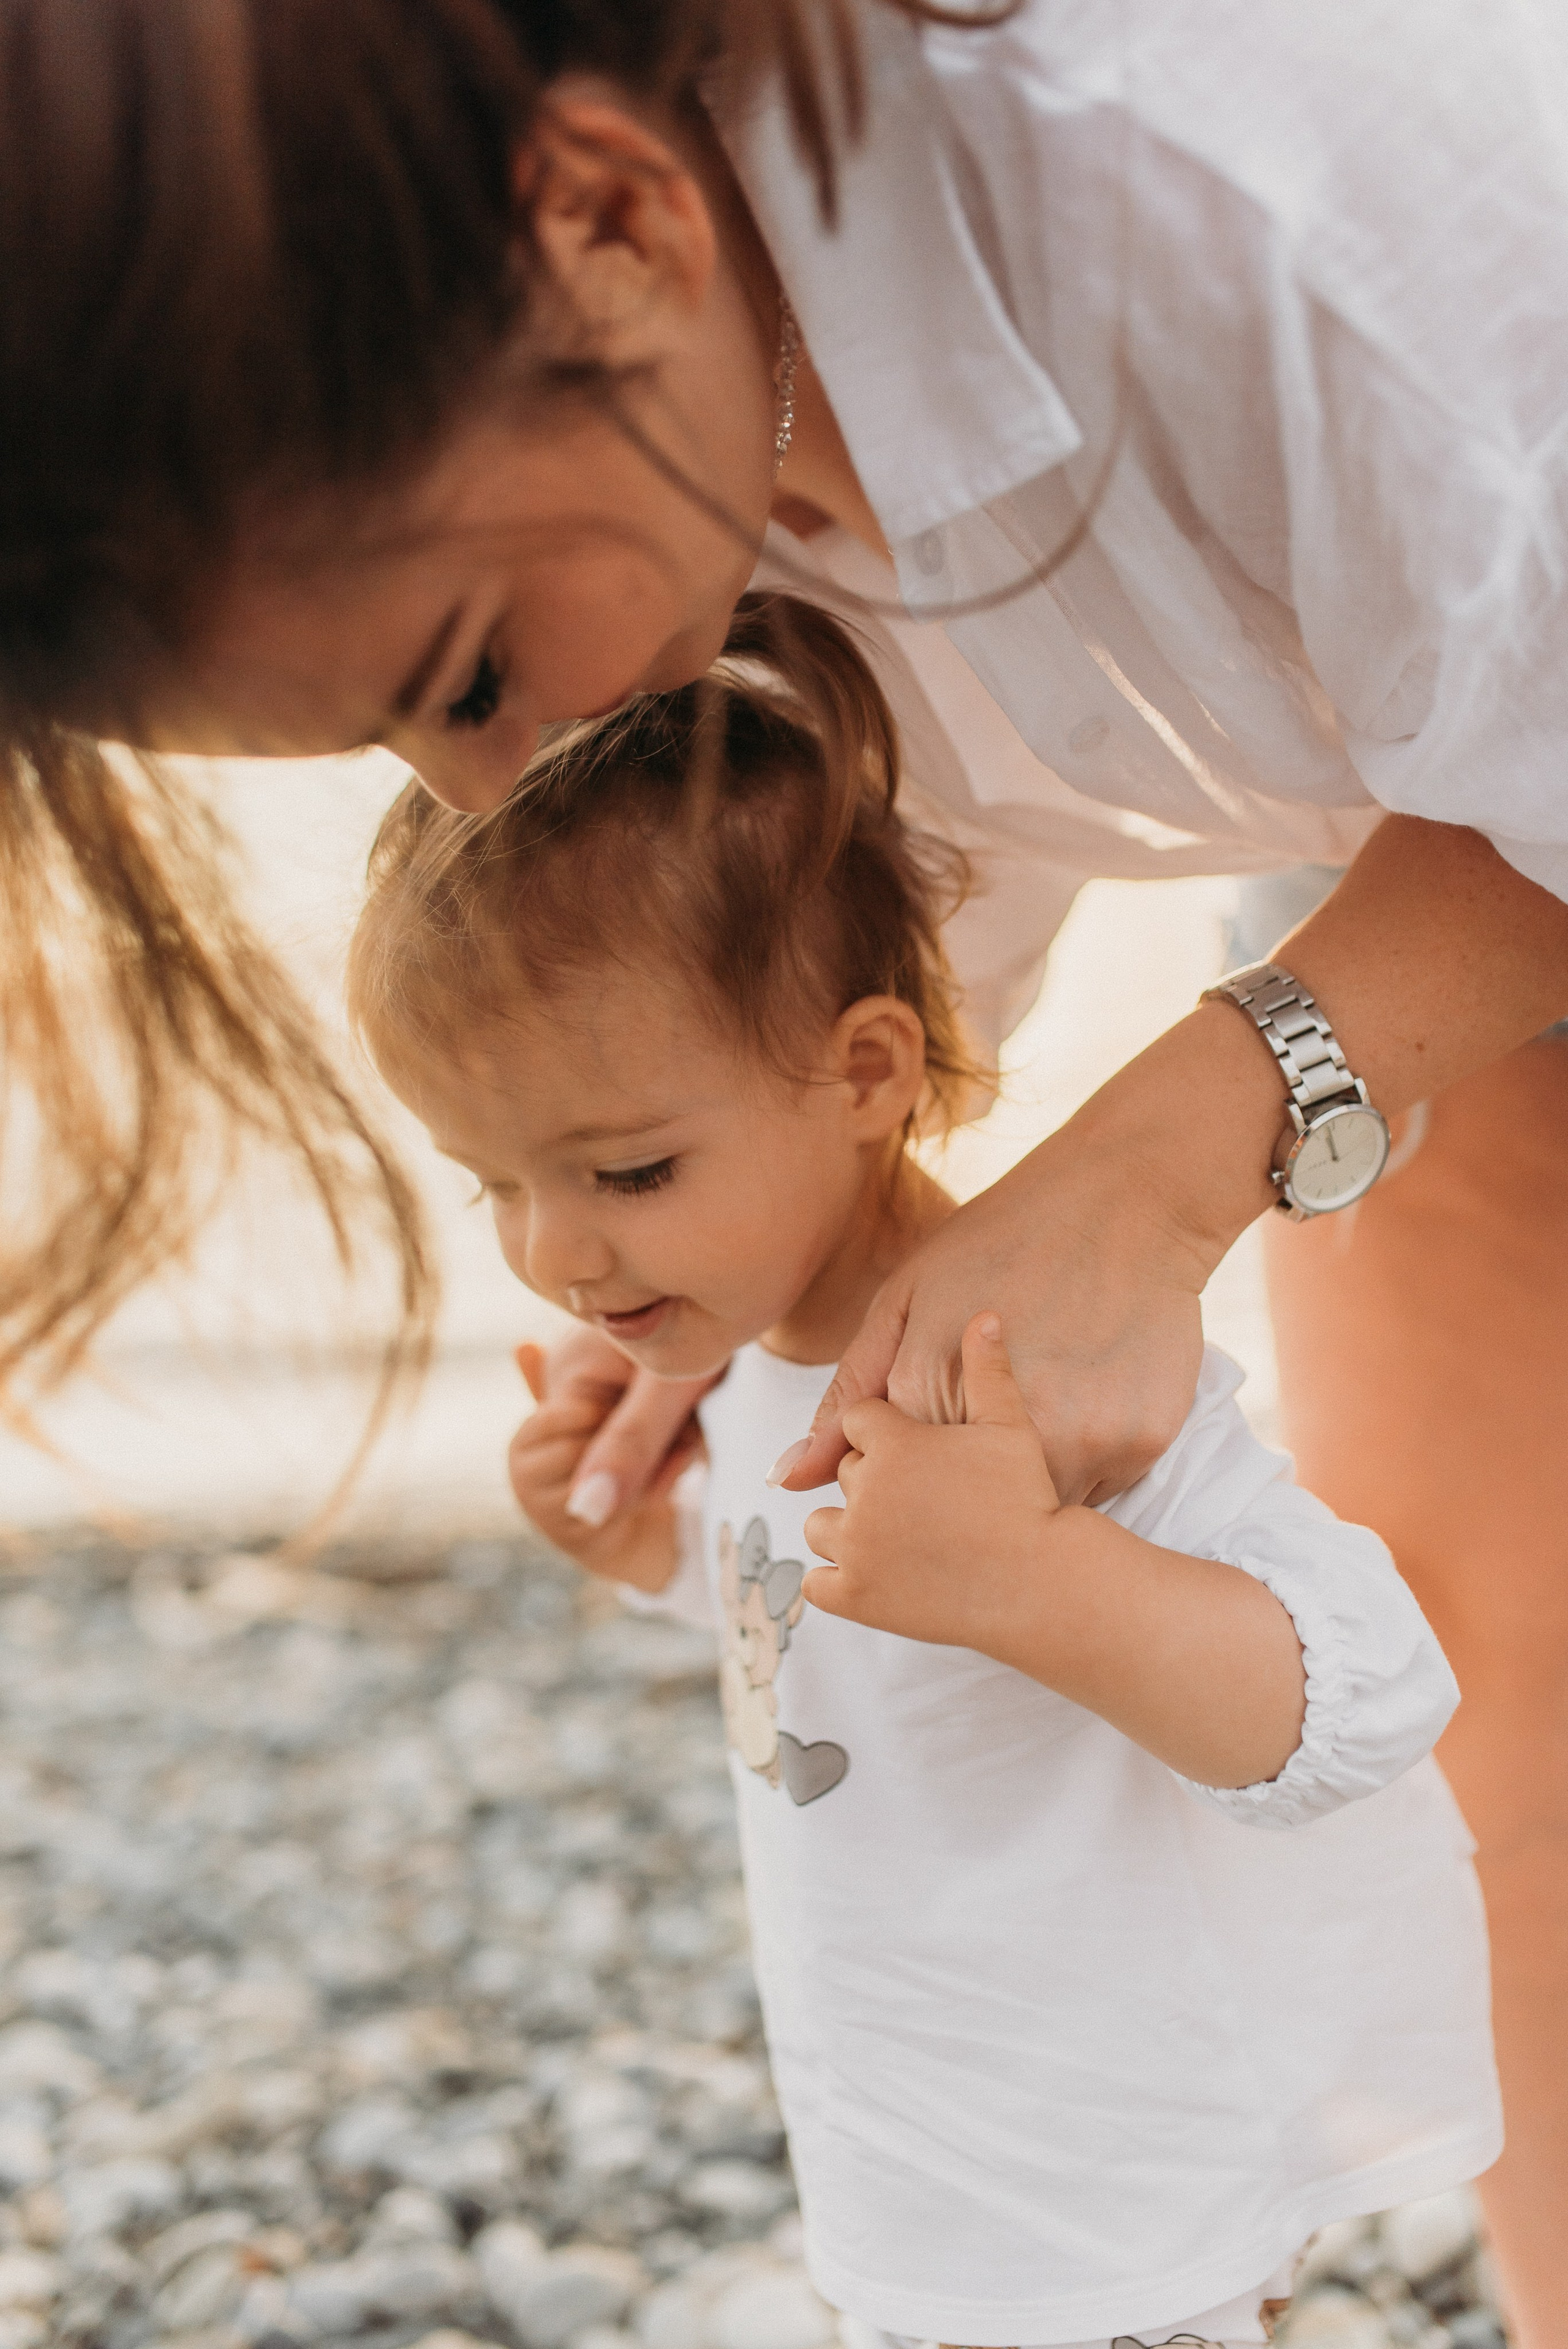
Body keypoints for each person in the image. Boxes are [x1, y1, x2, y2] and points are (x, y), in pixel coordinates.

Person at [1, 2, 1566, 2327]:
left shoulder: (1271, 181)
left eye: (454, 664)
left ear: (615, 223)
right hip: (1459, 853)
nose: (486, 778)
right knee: (1538, 1766)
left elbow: (1345, 1686)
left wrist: (1187, 1138)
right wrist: (731, 1291)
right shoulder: (698, 449)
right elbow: (913, 887)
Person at [342, 600, 1501, 2349]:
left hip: (1112, 2203)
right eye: (489, 1182)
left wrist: (1043, 1579)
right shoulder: (743, 1358)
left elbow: (1362, 1691)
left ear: (868, 1070)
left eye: (626, 1169)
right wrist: (654, 1555)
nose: (556, 1253)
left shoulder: (1023, 1362)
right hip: (914, 2158)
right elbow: (839, 1651)